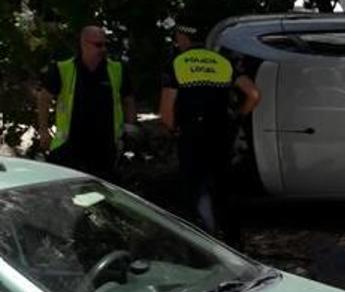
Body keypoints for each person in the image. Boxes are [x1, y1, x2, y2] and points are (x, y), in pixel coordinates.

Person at [159, 23, 260, 238]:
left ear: (182, 37)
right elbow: (253, 95)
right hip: (222, 132)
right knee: (222, 188)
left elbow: (166, 112)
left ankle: (205, 243)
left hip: (191, 133)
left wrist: (172, 129)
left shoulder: (177, 63)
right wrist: (238, 117)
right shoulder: (224, 62)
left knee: (195, 189)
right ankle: (233, 241)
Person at [37, 26, 137, 180]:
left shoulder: (116, 69)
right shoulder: (63, 69)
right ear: (84, 44)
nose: (103, 49)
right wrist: (43, 131)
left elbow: (128, 99)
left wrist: (129, 130)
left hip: (105, 146)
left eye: (105, 44)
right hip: (70, 145)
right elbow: (44, 98)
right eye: (98, 45)